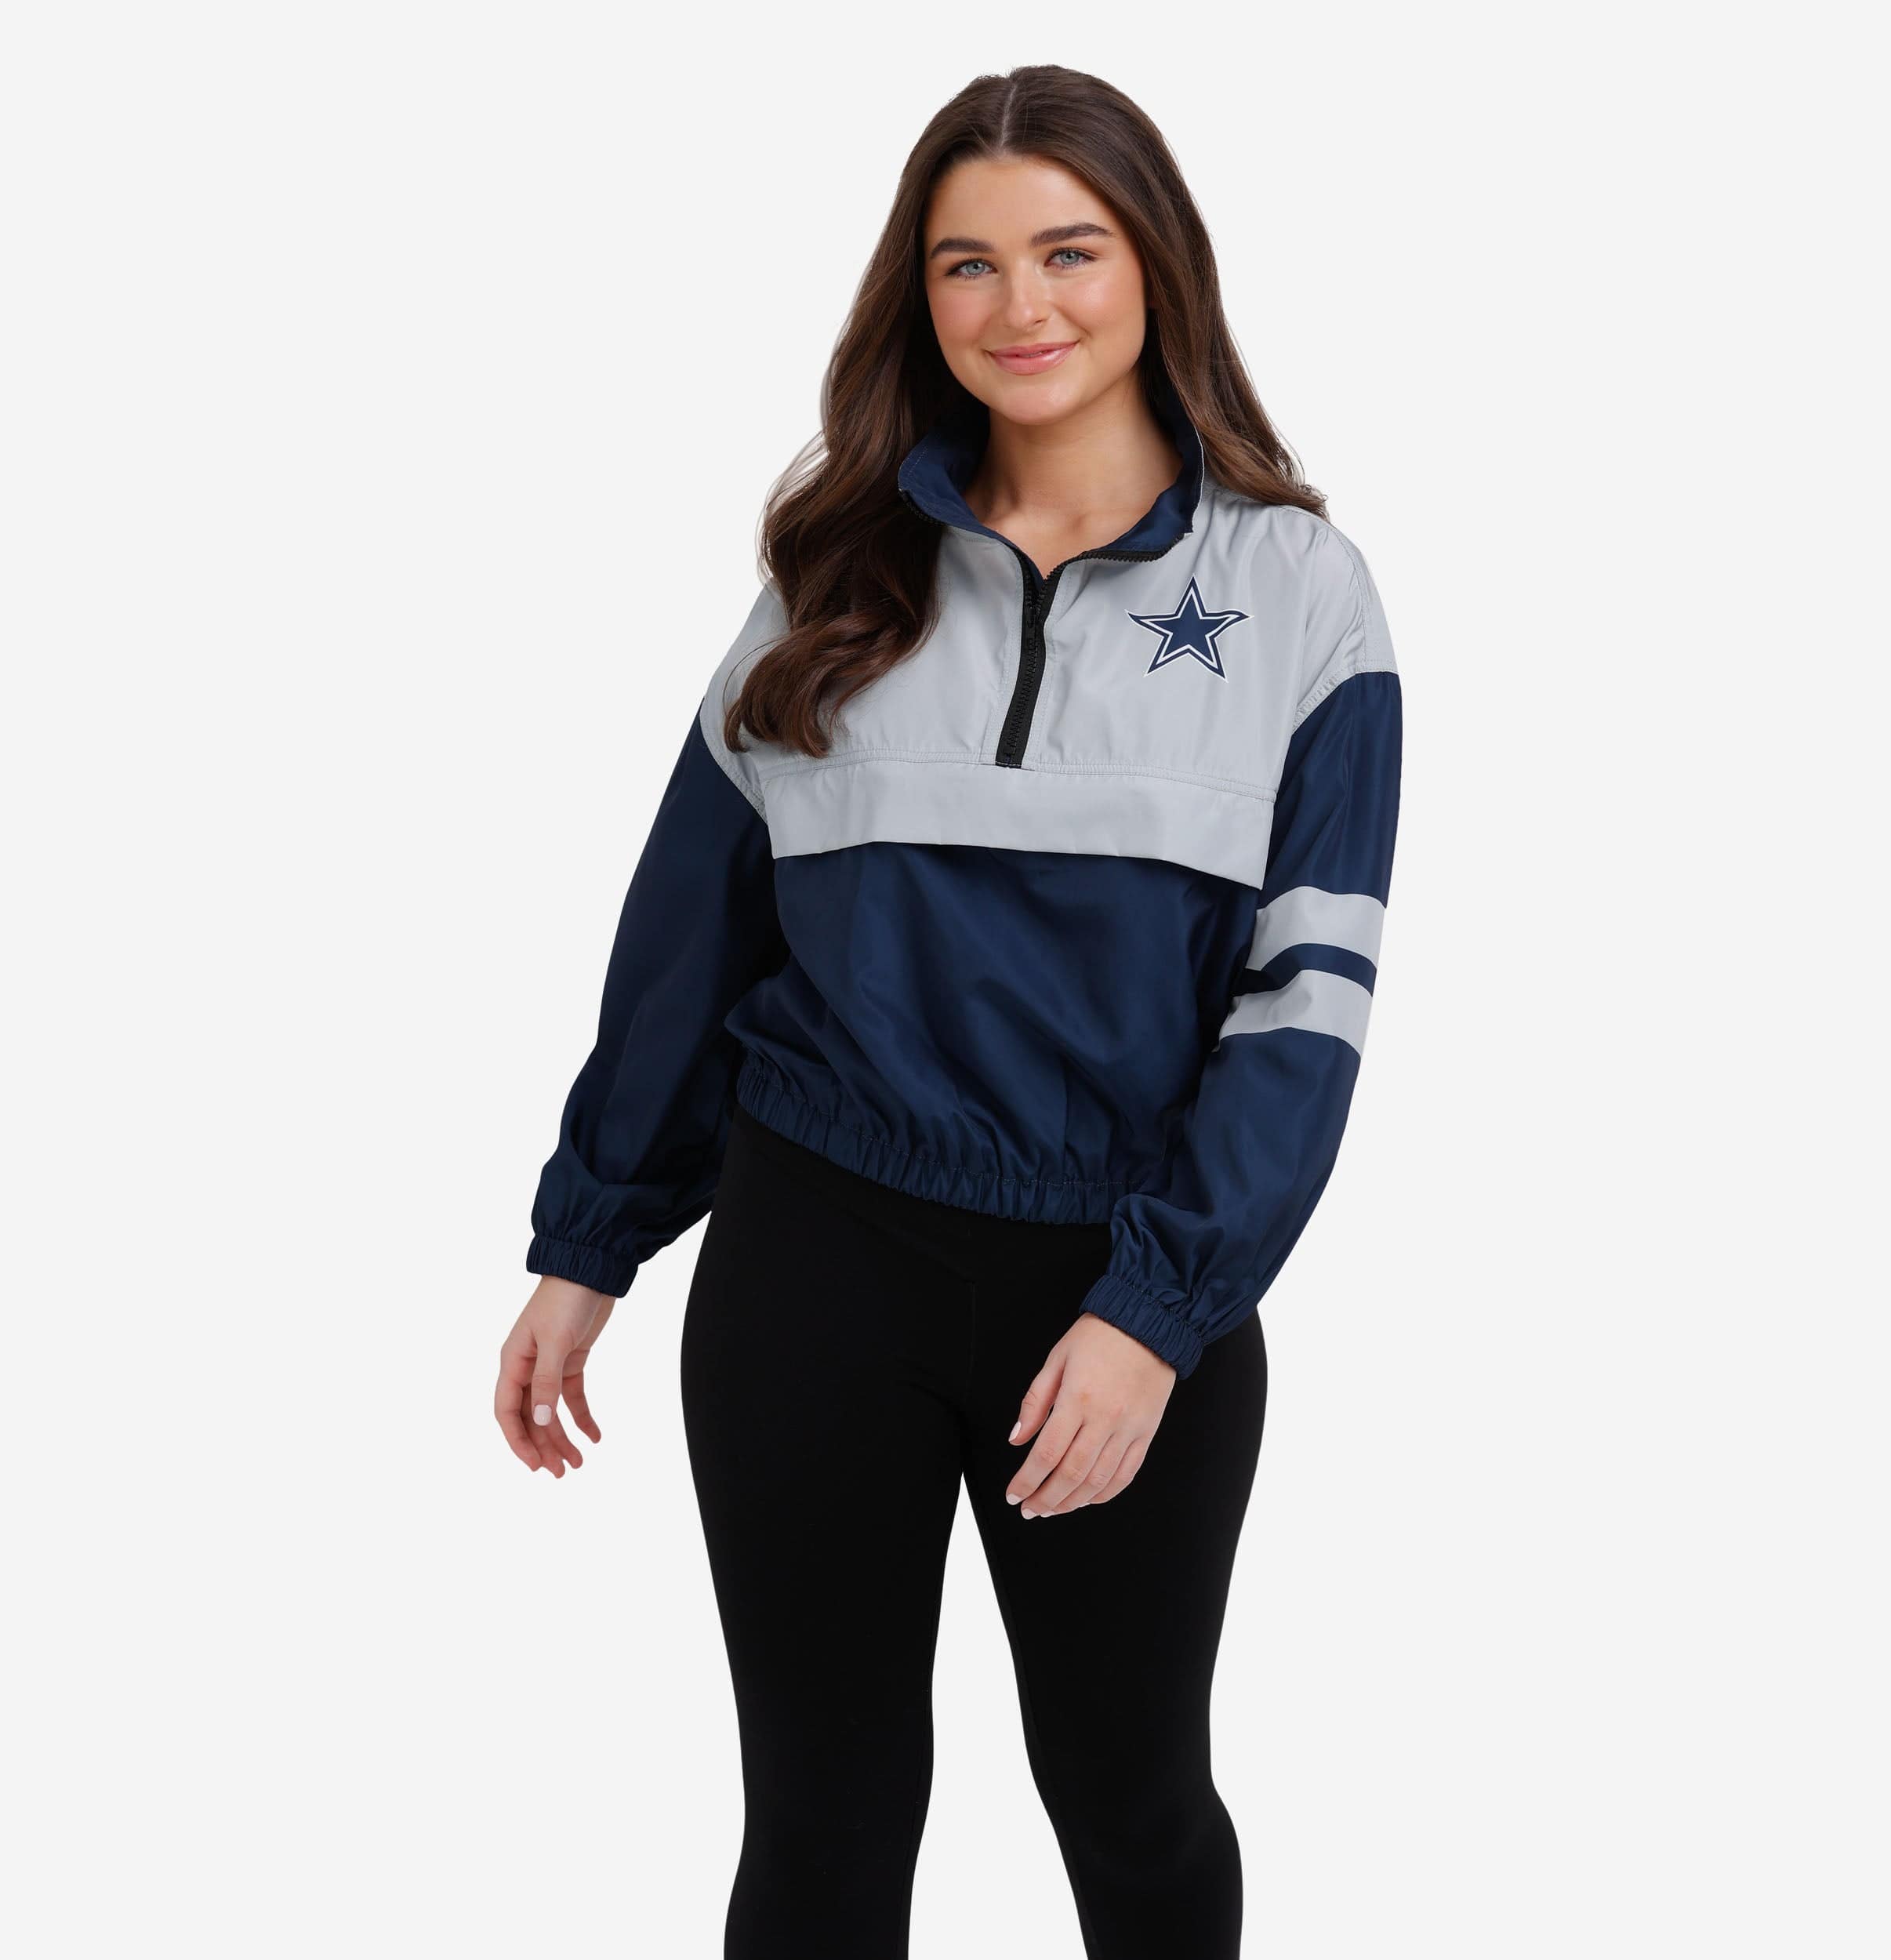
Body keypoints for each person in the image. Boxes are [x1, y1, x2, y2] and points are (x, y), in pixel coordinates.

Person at [493, 62, 1403, 1960]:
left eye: (1067, 251)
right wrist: (592, 1236)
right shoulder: (833, 573)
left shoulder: (1298, 593)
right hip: (813, 1257)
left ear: (1154, 263)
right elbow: (690, 931)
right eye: (965, 264)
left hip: (1114, 1279)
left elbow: (1301, 1008)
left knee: (1130, 1802)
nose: (1019, 306)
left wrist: (1155, 1314)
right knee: (819, 1822)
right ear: (918, 295)